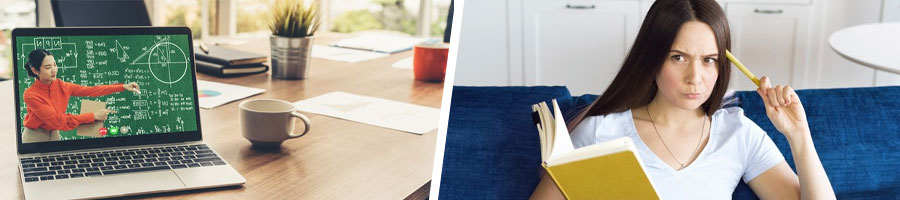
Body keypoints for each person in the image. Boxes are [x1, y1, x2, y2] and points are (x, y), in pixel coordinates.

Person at [529, 0, 835, 199]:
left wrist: (799, 135)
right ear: (652, 57)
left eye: (709, 60)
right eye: (678, 57)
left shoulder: (737, 133)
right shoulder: (600, 133)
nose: (696, 77)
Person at [21, 49, 140, 143]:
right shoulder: (30, 95)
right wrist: (93, 116)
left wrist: (123, 86)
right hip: (35, 137)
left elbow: (92, 91)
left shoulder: (62, 86)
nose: (54, 70)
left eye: (55, 65)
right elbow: (58, 120)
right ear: (35, 71)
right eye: (48, 67)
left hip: (54, 134)